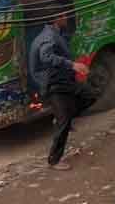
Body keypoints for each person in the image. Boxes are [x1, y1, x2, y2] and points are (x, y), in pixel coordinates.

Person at [29, 11, 95, 171]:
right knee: (64, 122)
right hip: (53, 85)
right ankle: (54, 160)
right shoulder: (48, 37)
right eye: (64, 16)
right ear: (57, 19)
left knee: (90, 95)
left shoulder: (55, 33)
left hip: (64, 82)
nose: (66, 18)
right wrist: (73, 65)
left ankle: (63, 116)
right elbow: (46, 57)